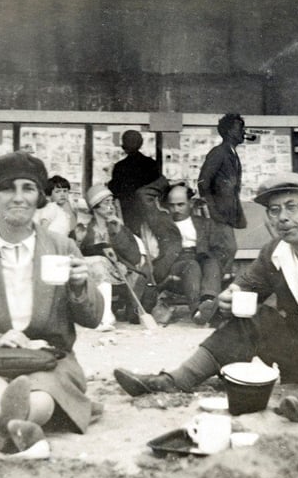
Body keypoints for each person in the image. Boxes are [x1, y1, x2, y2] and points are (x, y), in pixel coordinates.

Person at [114, 173, 298, 425]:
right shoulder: (275, 252)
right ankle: (175, 380)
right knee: (253, 317)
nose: (283, 218)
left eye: (292, 207)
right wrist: (228, 297)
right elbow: (245, 286)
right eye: (274, 210)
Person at [0, 151, 103, 451]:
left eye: (28, 188)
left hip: (49, 359)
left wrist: (81, 287)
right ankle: (20, 428)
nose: (18, 198)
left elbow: (93, 318)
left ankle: (6, 430)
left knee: (42, 393)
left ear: (39, 197)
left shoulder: (62, 246)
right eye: (7, 188)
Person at [74, 184, 146, 330]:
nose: (111, 206)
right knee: (97, 262)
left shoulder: (118, 227)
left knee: (99, 263)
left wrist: (118, 232)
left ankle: (104, 316)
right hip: (90, 272)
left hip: (119, 273)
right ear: (95, 207)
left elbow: (135, 258)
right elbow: (76, 252)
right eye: (106, 202)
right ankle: (104, 316)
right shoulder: (85, 228)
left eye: (112, 202)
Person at [156, 183, 226, 324]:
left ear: (191, 203)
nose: (176, 209)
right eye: (172, 205)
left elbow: (219, 248)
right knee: (191, 265)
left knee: (211, 262)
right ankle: (197, 312)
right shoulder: (163, 223)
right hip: (176, 262)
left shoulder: (204, 223)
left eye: (181, 204)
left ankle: (208, 301)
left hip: (200, 256)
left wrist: (214, 260)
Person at [197, 113, 248, 276]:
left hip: (226, 214)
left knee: (225, 250)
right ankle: (214, 287)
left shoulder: (232, 153)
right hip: (218, 214)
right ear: (229, 132)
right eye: (239, 128)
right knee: (228, 249)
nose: (243, 132)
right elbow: (203, 182)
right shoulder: (219, 152)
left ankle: (215, 287)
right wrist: (212, 211)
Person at [107, 130, 160, 233]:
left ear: (124, 146)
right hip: (148, 211)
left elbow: (115, 190)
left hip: (127, 212)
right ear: (141, 143)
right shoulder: (151, 164)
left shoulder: (120, 166)